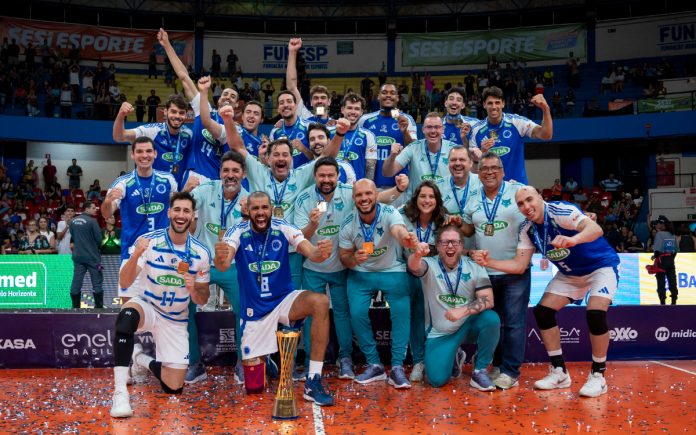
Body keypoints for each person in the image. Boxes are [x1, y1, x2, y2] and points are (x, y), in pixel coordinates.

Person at [472, 185, 621, 397]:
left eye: (530, 200)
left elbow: (596, 229)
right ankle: (559, 372)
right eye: (521, 204)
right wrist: (489, 262)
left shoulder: (560, 211)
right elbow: (519, 266)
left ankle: (598, 375)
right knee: (543, 312)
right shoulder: (527, 229)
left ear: (541, 198)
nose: (526, 206)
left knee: (595, 313)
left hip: (600, 267)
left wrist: (573, 239)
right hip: (570, 275)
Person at [215, 191, 335, 406]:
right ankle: (267, 359)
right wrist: (220, 256)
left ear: (271, 209)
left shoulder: (283, 226)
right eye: (255, 208)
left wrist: (321, 253)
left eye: (264, 207)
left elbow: (312, 253)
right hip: (254, 312)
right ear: (248, 211)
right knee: (254, 387)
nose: (260, 212)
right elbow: (223, 266)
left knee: (321, 302)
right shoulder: (237, 231)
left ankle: (313, 380)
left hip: (283, 301)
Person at [293, 157, 408, 380]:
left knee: (343, 314)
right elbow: (298, 238)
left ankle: (345, 359)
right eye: (322, 175)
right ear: (315, 176)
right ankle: (310, 363)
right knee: (311, 314)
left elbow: (376, 198)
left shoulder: (349, 192)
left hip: (341, 266)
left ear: (338, 176)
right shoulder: (304, 198)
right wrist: (313, 224)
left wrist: (398, 190)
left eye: (331, 175)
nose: (326, 179)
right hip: (313, 266)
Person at [109, 192, 211, 418]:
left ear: (193, 216)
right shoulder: (149, 241)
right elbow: (125, 282)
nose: (181, 215)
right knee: (126, 317)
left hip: (175, 319)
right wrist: (136, 254)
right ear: (169, 212)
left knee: (173, 387)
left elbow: (202, 299)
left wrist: (194, 289)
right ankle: (120, 393)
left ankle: (140, 359)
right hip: (148, 307)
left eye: (186, 211)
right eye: (177, 210)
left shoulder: (202, 253)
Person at [221, 105, 340, 290]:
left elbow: (326, 156)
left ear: (291, 159)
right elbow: (237, 146)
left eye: (285, 155)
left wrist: (340, 133)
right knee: (261, 294)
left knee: (292, 296)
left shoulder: (301, 175)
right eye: (276, 155)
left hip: (291, 249)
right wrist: (228, 120)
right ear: (268, 159)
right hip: (261, 246)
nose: (281, 158)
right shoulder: (258, 171)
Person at [338, 179, 419, 389]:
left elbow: (398, 230)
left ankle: (397, 366)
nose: (364, 198)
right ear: (353, 198)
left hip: (392, 269)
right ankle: (374, 364)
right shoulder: (348, 223)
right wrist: (354, 259)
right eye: (359, 195)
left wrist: (406, 239)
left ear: (376, 195)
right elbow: (343, 257)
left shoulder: (390, 212)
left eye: (368, 193)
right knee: (357, 313)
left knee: (401, 312)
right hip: (361, 272)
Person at [461, 152, 527, 390]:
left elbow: (537, 211)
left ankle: (511, 371)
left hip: (514, 270)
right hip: (484, 272)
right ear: (478, 173)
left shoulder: (518, 192)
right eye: (484, 168)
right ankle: (497, 365)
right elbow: (470, 230)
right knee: (494, 322)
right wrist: (458, 224)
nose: (489, 172)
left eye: (494, 168)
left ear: (503, 171)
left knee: (514, 324)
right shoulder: (473, 198)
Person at [408, 225, 499, 390]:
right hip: (442, 332)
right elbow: (414, 266)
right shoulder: (429, 264)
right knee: (436, 381)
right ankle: (454, 354)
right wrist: (417, 255)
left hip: (467, 325)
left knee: (491, 319)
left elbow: (488, 300)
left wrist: (462, 311)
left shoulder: (475, 266)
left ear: (462, 245)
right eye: (445, 242)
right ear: (438, 246)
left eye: (455, 242)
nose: (450, 246)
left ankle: (480, 370)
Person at [186, 151, 248, 384]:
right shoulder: (205, 190)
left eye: (235, 171)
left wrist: (247, 216)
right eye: (226, 170)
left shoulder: (248, 199)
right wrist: (187, 192)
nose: (230, 175)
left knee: (245, 312)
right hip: (203, 262)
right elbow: (187, 206)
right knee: (185, 308)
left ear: (243, 174)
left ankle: (243, 362)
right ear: (220, 172)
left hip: (233, 264)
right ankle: (195, 363)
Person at [102, 137, 178, 302]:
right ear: (132, 155)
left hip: (163, 253)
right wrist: (107, 201)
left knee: (163, 310)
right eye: (140, 151)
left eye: (149, 151)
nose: (144, 155)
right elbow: (107, 214)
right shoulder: (123, 183)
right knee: (129, 310)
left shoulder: (168, 179)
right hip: (132, 253)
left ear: (155, 153)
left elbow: (177, 211)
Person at [399, 181, 448, 382]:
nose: (427, 200)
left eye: (431, 197)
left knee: (440, 316)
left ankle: (445, 356)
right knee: (417, 315)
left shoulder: (444, 220)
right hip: (409, 271)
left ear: (437, 201)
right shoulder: (402, 216)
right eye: (423, 196)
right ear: (415, 198)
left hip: (436, 274)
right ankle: (419, 361)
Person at [469, 86, 553, 184]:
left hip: (517, 187)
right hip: (490, 188)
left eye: (497, 102)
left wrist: (545, 109)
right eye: (490, 103)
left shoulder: (517, 122)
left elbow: (546, 135)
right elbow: (473, 171)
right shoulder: (476, 130)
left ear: (503, 104)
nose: (494, 107)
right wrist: (481, 155)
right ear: (484, 105)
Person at [113, 94, 193, 186]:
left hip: (178, 192)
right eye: (173, 112)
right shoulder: (151, 131)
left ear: (186, 115)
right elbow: (119, 136)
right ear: (165, 112)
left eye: (181, 113)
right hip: (152, 190)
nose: (177, 116)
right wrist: (121, 115)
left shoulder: (189, 134)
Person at [383, 112, 459, 198]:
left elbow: (467, 174)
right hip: (415, 204)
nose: (433, 131)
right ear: (423, 129)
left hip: (444, 203)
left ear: (443, 129)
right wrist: (392, 156)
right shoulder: (412, 148)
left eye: (437, 127)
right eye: (429, 127)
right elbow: (387, 173)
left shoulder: (453, 150)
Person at [359, 83, 417, 188]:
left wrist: (405, 132)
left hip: (398, 185)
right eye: (384, 92)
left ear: (397, 98)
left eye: (392, 93)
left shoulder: (406, 119)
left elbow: (414, 149)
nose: (388, 95)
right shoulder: (365, 120)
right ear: (378, 96)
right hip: (371, 185)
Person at [286, 38, 335, 126]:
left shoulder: (337, 125)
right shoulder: (304, 117)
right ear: (311, 102)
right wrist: (292, 52)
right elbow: (291, 87)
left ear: (329, 102)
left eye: (323, 98)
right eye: (316, 98)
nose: (319, 101)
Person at [69, 202, 104, 309]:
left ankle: (75, 309)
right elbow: (99, 240)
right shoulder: (92, 221)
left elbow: (73, 237)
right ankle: (99, 309)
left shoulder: (72, 221)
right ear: (86, 209)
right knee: (97, 283)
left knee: (76, 282)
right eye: (93, 208)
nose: (95, 209)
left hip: (78, 256)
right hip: (92, 256)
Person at [268, 90, 313, 168]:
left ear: (296, 106)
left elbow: (319, 157)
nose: (285, 105)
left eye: (289, 101)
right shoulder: (274, 132)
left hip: (307, 175)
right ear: (278, 109)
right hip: (283, 175)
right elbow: (271, 161)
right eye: (281, 103)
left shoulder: (309, 126)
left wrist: (303, 149)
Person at [653, 215, 679, 305]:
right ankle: (674, 301)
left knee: (661, 282)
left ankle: (663, 302)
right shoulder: (672, 235)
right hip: (670, 260)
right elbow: (676, 250)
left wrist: (655, 257)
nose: (656, 225)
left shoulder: (659, 234)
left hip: (661, 261)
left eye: (657, 223)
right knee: (672, 281)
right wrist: (670, 258)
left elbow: (657, 250)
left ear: (662, 224)